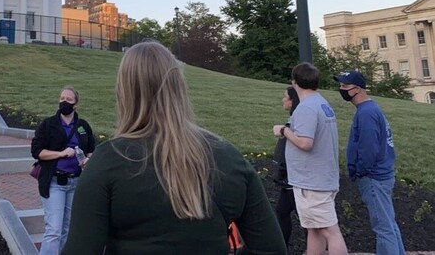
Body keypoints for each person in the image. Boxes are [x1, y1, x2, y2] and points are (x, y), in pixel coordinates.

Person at [64, 41, 286, 255]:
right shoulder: (227, 156)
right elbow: (271, 248)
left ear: (124, 93)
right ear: (179, 86)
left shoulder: (108, 161)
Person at [273, 62, 348, 255]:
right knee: (314, 229)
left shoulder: (306, 107)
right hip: (319, 178)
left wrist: (283, 130)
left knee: (330, 231)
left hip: (312, 181)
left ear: (295, 82)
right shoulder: (322, 103)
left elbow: (306, 143)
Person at [335, 70, 405, 255]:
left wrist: (359, 170)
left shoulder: (366, 113)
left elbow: (369, 149)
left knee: (383, 228)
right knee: (389, 225)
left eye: (345, 86)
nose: (341, 89)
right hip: (382, 175)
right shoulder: (370, 109)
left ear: (357, 89)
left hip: (373, 177)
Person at [30, 85, 95, 255]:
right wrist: (61, 153)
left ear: (76, 104)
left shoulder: (82, 126)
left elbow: (91, 148)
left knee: (67, 228)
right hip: (54, 183)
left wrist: (88, 159)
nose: (64, 102)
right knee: (54, 230)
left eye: (68, 99)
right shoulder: (48, 124)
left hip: (75, 183)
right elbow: (37, 152)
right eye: (62, 99)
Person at [272, 87, 301, 253]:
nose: (283, 100)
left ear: (292, 101)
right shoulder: (294, 120)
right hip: (288, 180)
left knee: (304, 218)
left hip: (293, 180)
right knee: (281, 212)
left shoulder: (296, 123)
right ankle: (282, 248)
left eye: (285, 97)